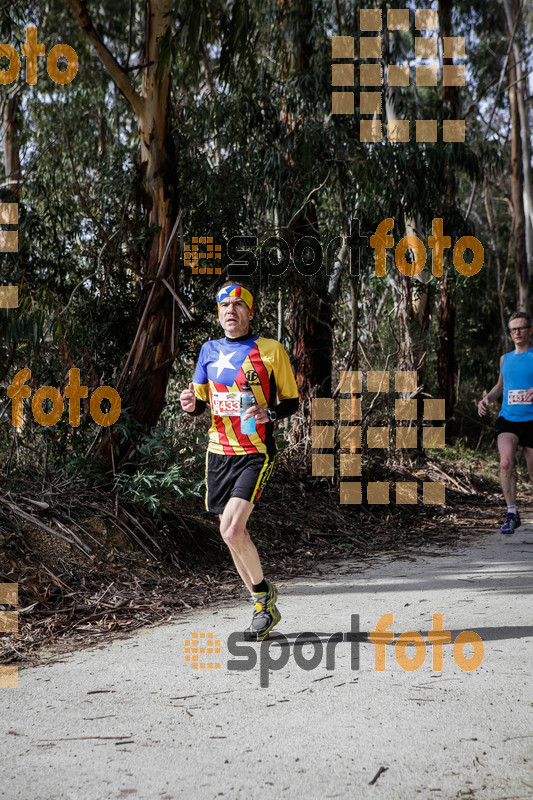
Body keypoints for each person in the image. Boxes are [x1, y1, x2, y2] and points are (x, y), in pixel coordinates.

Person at [180, 282, 299, 639]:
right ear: (218, 315)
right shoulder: (208, 351)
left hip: (255, 452)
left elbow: (291, 402)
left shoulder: (271, 350)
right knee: (231, 533)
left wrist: (271, 415)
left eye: (237, 305)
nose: (230, 311)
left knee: (231, 529)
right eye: (223, 307)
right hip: (218, 452)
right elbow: (199, 402)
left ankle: (263, 598)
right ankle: (262, 603)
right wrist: (190, 405)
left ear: (250, 312)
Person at [477, 311, 533, 533]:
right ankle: (511, 513)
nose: (516, 332)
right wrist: (487, 399)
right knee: (505, 463)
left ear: (530, 330)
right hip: (508, 418)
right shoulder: (505, 359)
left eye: (520, 328)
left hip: (532, 420)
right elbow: (501, 386)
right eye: (513, 329)